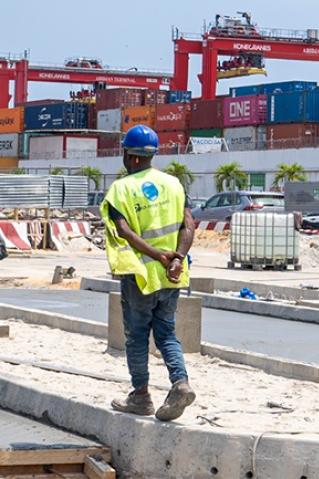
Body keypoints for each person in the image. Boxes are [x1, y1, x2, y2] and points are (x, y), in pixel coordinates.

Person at [102, 124, 197, 421]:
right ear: (152, 155)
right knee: (167, 333)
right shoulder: (173, 184)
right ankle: (180, 383)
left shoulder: (121, 188)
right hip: (172, 274)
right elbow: (189, 226)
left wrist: (157, 255)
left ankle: (141, 396)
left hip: (140, 275)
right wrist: (177, 258)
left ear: (129, 156)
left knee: (137, 336)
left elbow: (125, 232)